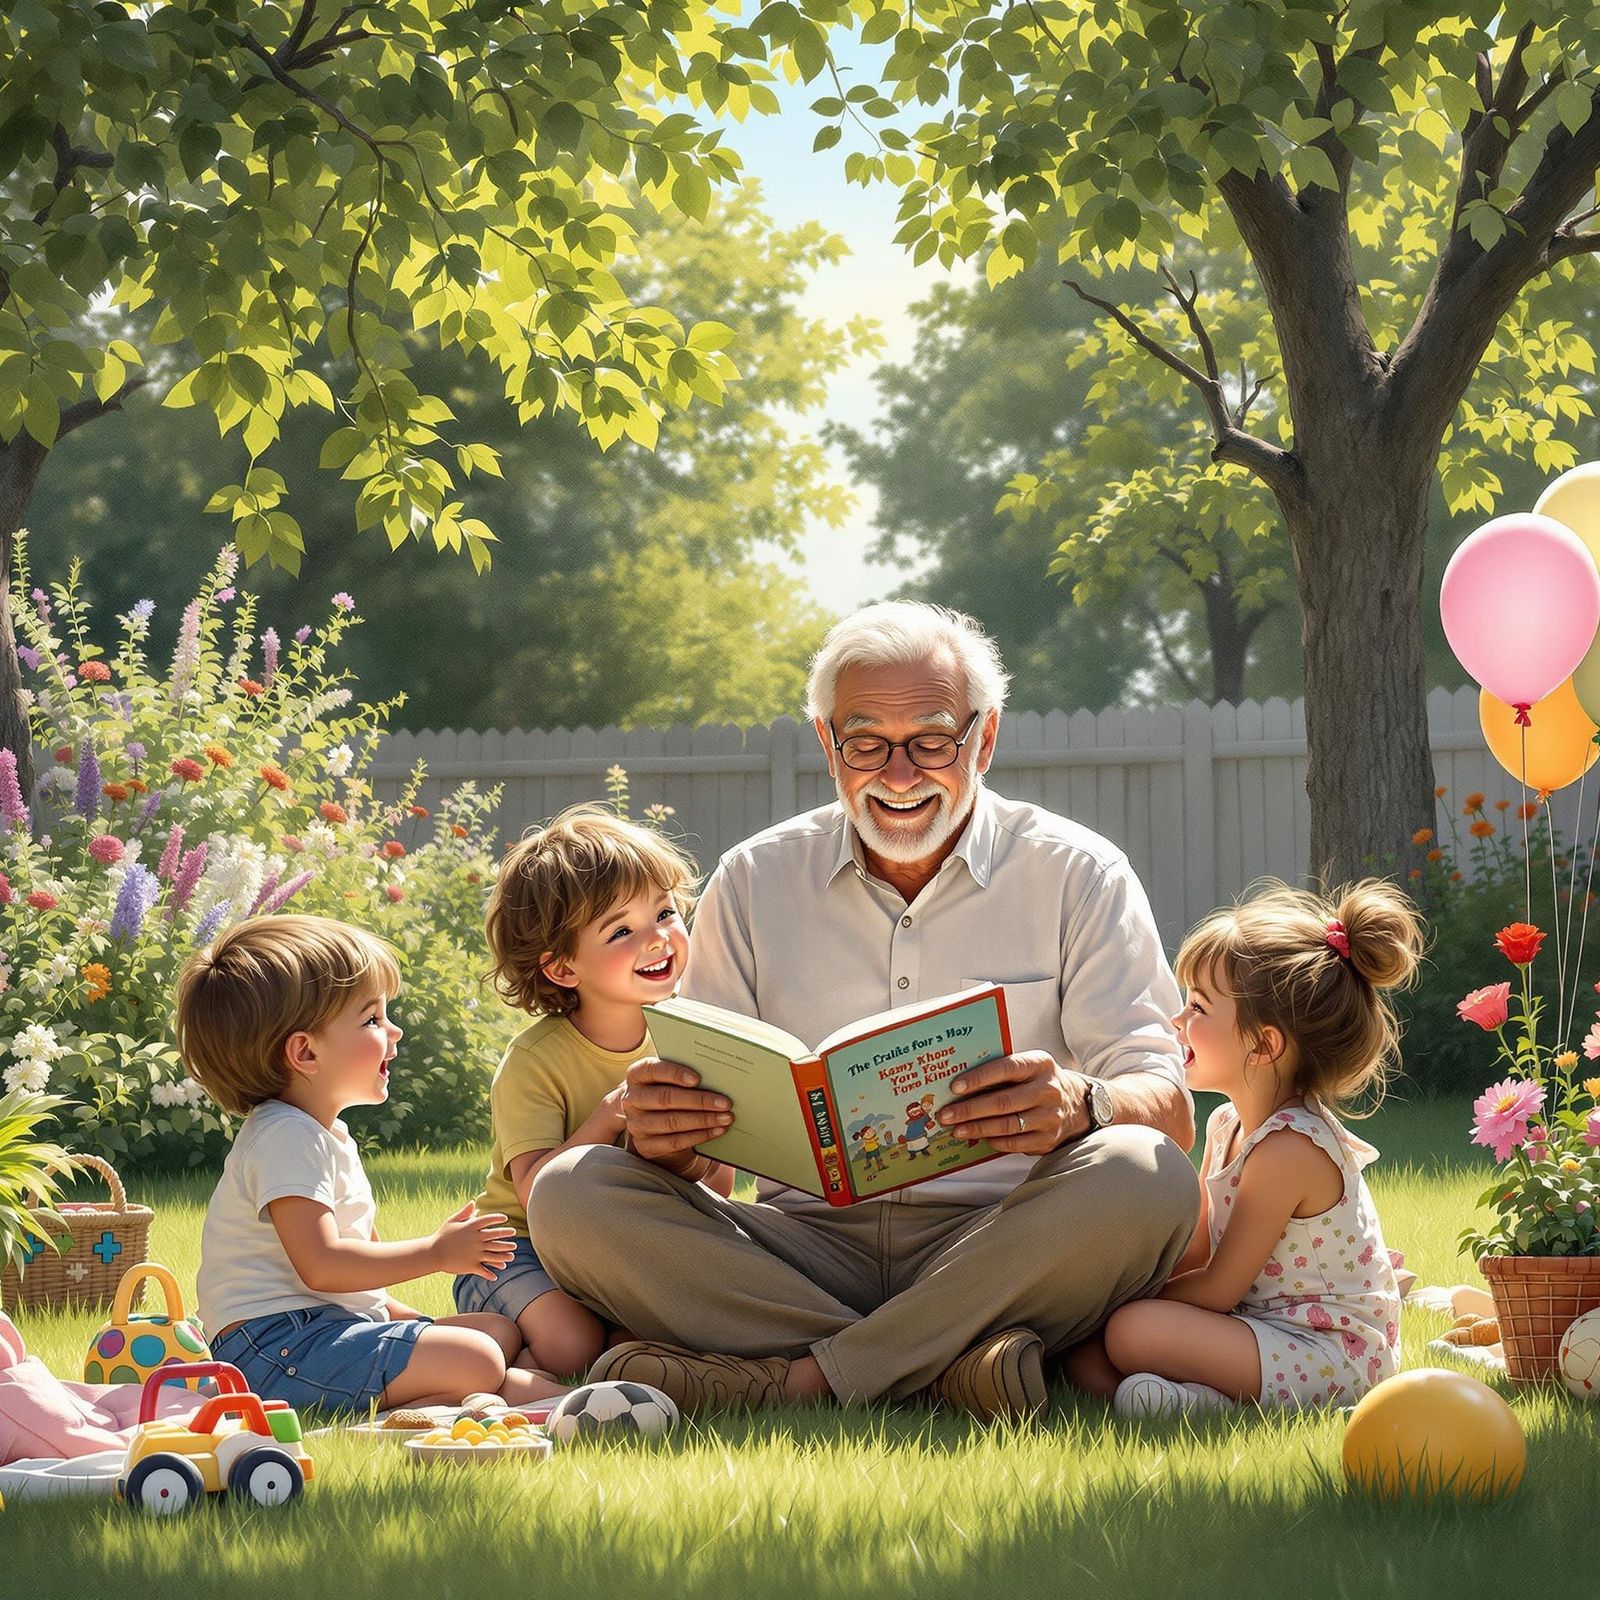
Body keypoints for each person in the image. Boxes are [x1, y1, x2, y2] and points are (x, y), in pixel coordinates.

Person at [530, 601, 1200, 1422]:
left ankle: (807, 1380)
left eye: (930, 741)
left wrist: (1081, 1101)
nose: (899, 773)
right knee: (569, 1191)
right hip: (799, 1252)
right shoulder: (754, 880)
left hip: (1003, 1239)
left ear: (983, 739)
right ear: (827, 744)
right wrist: (671, 1139)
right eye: (867, 745)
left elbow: (1167, 1110)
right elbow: (709, 1170)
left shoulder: (1080, 874)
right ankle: (950, 1363)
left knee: (1148, 1173)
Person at [181, 915, 565, 1413]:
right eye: (372, 1020)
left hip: (319, 1332)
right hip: (271, 1352)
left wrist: (408, 1322)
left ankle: (483, 1390)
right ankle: (495, 1390)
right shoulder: (285, 1140)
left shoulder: (325, 1134)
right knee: (478, 1354)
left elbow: (360, 1279)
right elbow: (322, 1266)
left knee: (494, 1330)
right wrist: (435, 1252)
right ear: (305, 1052)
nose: (395, 1030)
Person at [1073, 880, 1419, 1418]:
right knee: (1087, 1356)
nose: (1177, 1022)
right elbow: (1199, 1253)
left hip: (1332, 1356)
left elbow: (1217, 1288)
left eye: (1198, 1008)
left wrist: (1125, 1307)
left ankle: (1209, 1404)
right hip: (1260, 1328)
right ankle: (1176, 1398)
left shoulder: (1289, 1149)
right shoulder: (1226, 1124)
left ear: (1264, 1044)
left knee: (1130, 1329)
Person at [454, 805, 732, 1377]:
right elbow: (534, 1194)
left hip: (626, 1246)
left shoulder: (695, 1039)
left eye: (665, 912)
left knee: (647, 1342)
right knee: (572, 1346)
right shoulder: (535, 1061)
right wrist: (609, 1117)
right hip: (518, 1251)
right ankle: (478, 1364)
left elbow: (720, 1189)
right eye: (622, 931)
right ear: (561, 969)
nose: (658, 939)